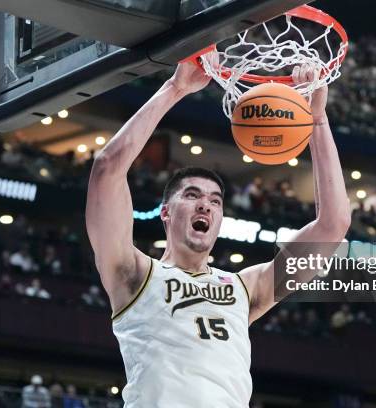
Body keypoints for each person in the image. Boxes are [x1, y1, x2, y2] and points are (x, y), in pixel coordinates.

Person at [86, 59, 350, 407]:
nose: (205, 206)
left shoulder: (246, 288)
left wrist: (317, 119)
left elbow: (333, 224)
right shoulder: (134, 273)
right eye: (192, 195)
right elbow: (107, 168)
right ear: (166, 212)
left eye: (215, 201)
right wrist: (174, 89)